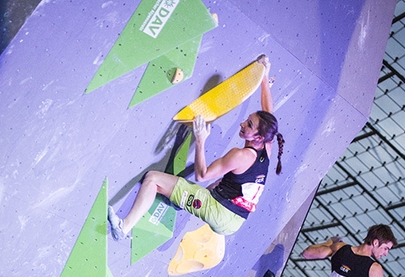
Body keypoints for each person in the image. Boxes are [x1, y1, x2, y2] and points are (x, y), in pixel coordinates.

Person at [108, 54, 284, 241]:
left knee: (153, 179)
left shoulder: (240, 155)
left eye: (248, 125)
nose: (242, 124)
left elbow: (202, 175)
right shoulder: (266, 143)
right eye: (247, 120)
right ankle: (177, 198)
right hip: (236, 220)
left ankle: (123, 228)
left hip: (220, 211)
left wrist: (200, 140)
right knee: (216, 185)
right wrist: (263, 76)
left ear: (258, 137)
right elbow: (267, 113)